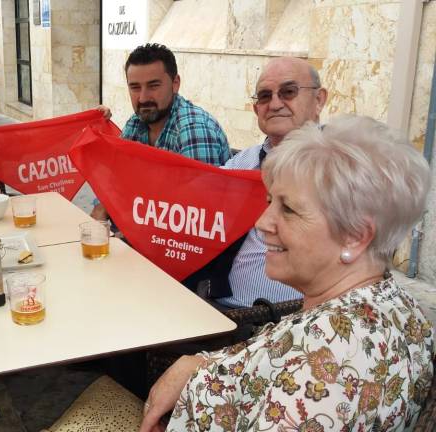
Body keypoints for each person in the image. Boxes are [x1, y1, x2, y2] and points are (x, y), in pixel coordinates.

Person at [52, 116, 434, 432]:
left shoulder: (322, 377)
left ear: (356, 235)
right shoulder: (399, 309)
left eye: (288, 210)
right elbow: (277, 349)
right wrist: (198, 363)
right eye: (270, 201)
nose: (262, 222)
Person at [195, 57, 328, 307]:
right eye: (265, 96)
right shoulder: (243, 162)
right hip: (218, 306)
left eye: (288, 92)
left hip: (290, 318)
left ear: (318, 100)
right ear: (257, 110)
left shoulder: (340, 166)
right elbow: (192, 198)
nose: (275, 103)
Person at [91, 43, 230, 221]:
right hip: (150, 230)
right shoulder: (137, 122)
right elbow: (116, 180)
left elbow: (199, 219)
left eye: (153, 86)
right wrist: (101, 210)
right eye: (135, 87)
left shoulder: (193, 129)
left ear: (175, 83)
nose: (143, 98)